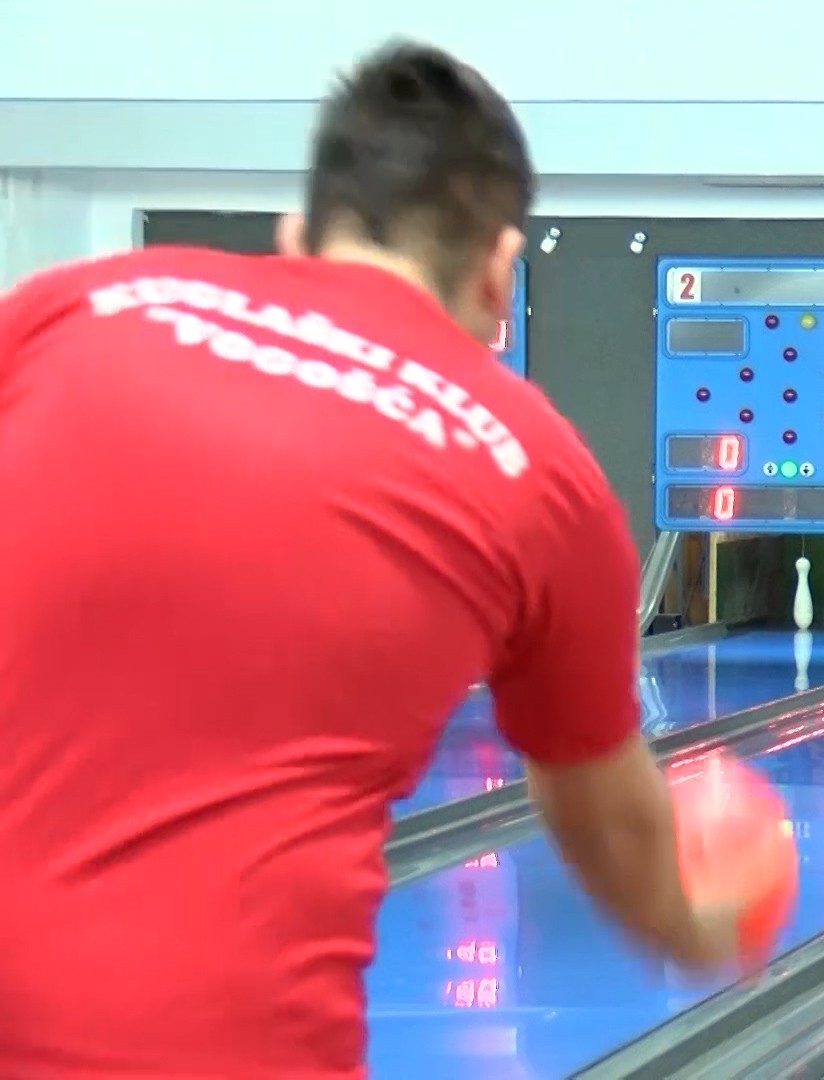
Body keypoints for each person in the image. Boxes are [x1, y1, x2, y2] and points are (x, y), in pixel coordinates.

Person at [0, 41, 740, 1078]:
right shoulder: (534, 466)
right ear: (499, 271)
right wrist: (696, 922)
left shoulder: (76, 303)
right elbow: (607, 820)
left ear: (295, 237)